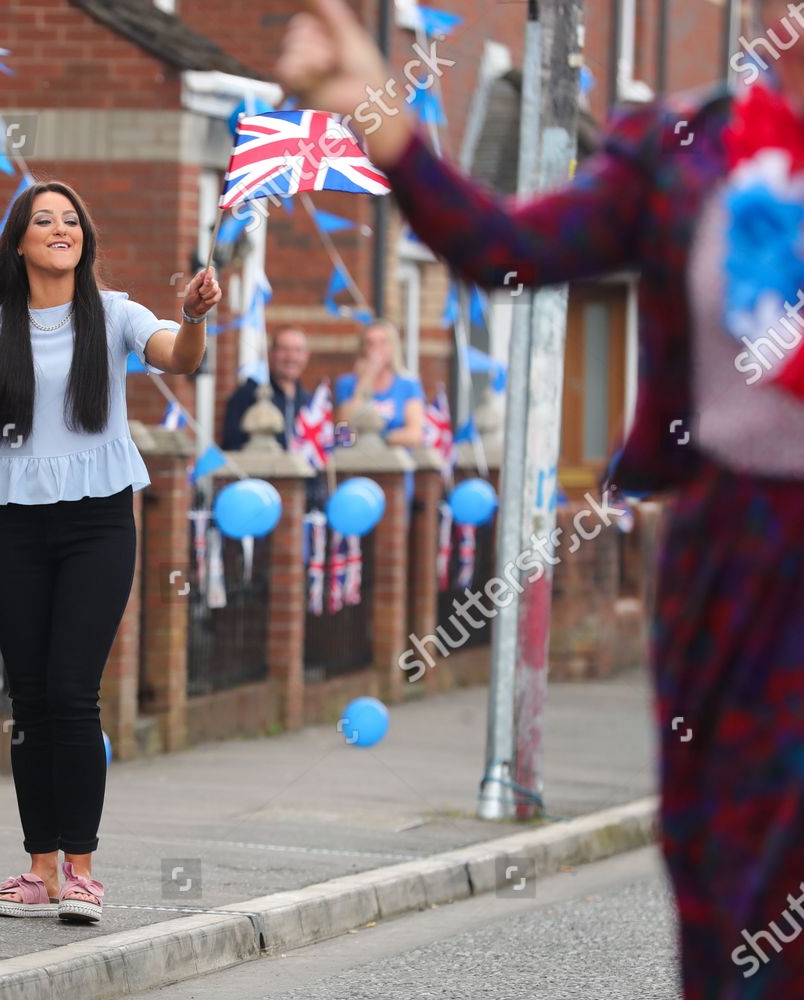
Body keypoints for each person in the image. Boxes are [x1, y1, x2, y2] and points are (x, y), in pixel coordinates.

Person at [279, 0, 804, 993]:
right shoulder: (689, 149)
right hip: (736, 562)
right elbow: (507, 249)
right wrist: (384, 126)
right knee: (732, 880)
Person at [0, 180, 221, 923]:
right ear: (17, 243)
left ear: (83, 238)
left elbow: (176, 357)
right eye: (44, 220)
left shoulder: (115, 314)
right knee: (28, 699)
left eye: (72, 220)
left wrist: (193, 318)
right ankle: (38, 867)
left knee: (71, 692)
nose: (62, 229)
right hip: (17, 525)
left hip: (99, 523)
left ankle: (81, 869)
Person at [219, 326, 315, 450]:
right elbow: (232, 445)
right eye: (284, 349)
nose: (291, 357)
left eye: (298, 350)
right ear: (271, 353)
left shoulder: (308, 401)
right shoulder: (248, 393)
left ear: (306, 355)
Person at [335, 319, 426, 448]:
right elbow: (343, 433)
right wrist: (365, 379)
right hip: (356, 462)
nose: (376, 349)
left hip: (396, 462)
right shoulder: (347, 384)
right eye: (370, 343)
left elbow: (415, 434)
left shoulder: (408, 385)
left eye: (383, 342)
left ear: (393, 347)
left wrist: (378, 439)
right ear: (363, 349)